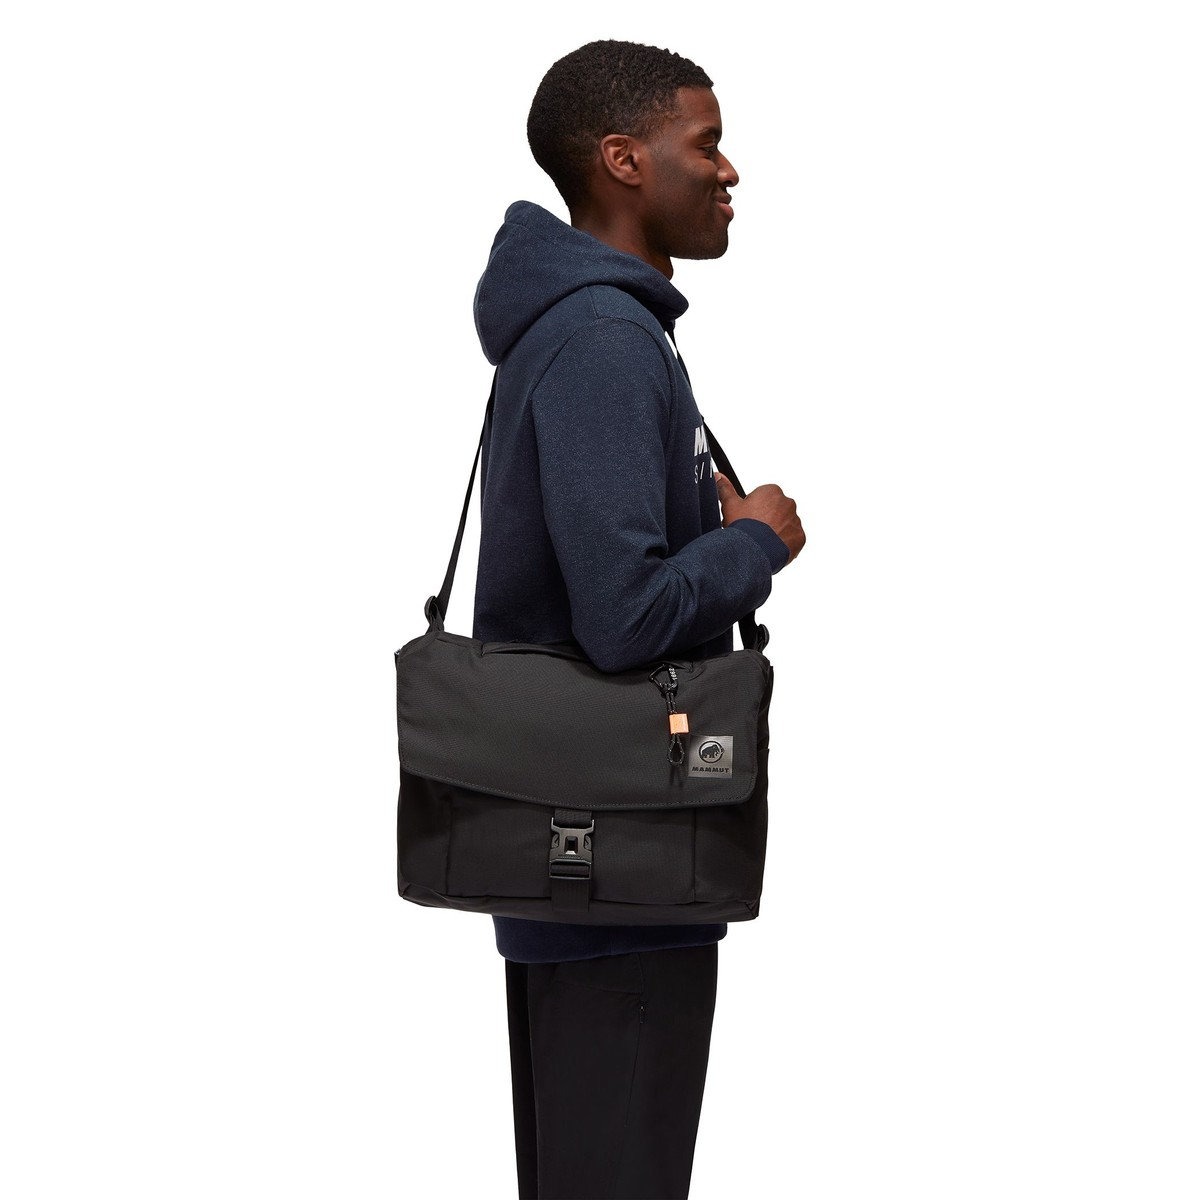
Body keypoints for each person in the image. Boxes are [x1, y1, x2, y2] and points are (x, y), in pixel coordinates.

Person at [470, 38, 806, 1200]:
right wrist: (756, 541)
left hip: (581, 861)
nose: (728, 171)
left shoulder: (588, 329)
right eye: (704, 145)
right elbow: (624, 618)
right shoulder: (607, 340)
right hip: (619, 877)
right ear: (623, 160)